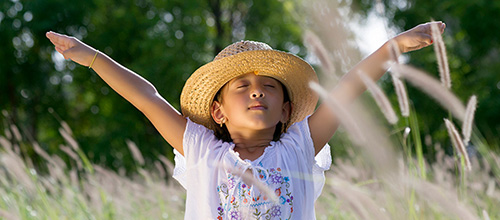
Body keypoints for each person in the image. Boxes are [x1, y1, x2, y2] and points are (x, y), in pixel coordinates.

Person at [46, 20, 445, 219]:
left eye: (269, 87)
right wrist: (91, 57)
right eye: (242, 86)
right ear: (217, 111)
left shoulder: (298, 148)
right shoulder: (201, 150)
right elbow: (147, 98)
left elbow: (346, 92)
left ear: (287, 110)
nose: (257, 91)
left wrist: (393, 47)